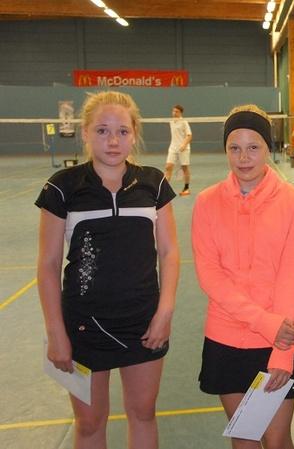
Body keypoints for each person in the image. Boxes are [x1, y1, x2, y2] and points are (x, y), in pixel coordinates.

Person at [36, 90, 179, 449]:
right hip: (83, 325)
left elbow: (170, 252)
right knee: (89, 423)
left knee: (143, 413)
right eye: (102, 130)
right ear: (85, 132)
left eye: (122, 131)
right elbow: (48, 264)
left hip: (143, 322)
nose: (113, 141)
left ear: (134, 134)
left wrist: (164, 313)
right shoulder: (62, 187)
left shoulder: (154, 183)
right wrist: (56, 332)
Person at [192, 104, 294, 449]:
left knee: (277, 440)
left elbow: (291, 279)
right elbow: (210, 276)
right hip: (225, 340)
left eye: (253, 147)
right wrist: (263, 321)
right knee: (244, 438)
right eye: (235, 148)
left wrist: (283, 350)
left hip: (277, 342)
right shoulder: (207, 202)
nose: (244, 158)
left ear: (268, 149)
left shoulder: (293, 203)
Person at [164, 104, 192, 196]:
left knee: (185, 168)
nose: (174, 113)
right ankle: (164, 189)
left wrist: (184, 144)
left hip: (183, 149)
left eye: (176, 111)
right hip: (173, 148)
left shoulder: (184, 122)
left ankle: (186, 188)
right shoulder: (171, 122)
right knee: (168, 167)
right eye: (173, 111)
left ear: (180, 113)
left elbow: (189, 135)